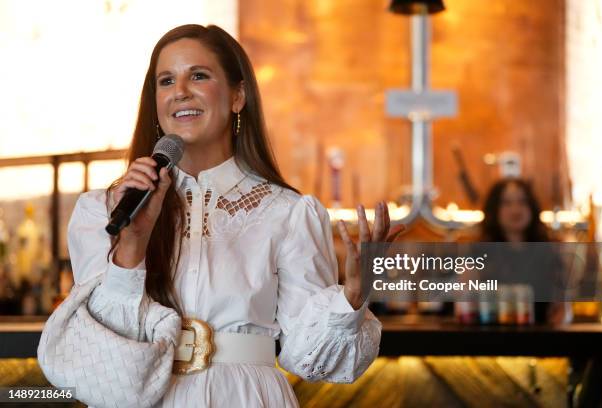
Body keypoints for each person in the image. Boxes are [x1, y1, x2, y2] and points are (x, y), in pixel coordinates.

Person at [65, 24, 403, 407]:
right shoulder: (105, 211)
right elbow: (99, 342)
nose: (180, 92)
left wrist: (352, 298)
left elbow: (309, 358)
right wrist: (131, 244)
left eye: (198, 75)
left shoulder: (287, 213)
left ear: (238, 96)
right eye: (165, 80)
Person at [479, 177, 570, 325]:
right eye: (507, 203)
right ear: (494, 209)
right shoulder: (479, 253)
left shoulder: (549, 252)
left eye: (522, 202)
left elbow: (563, 309)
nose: (516, 209)